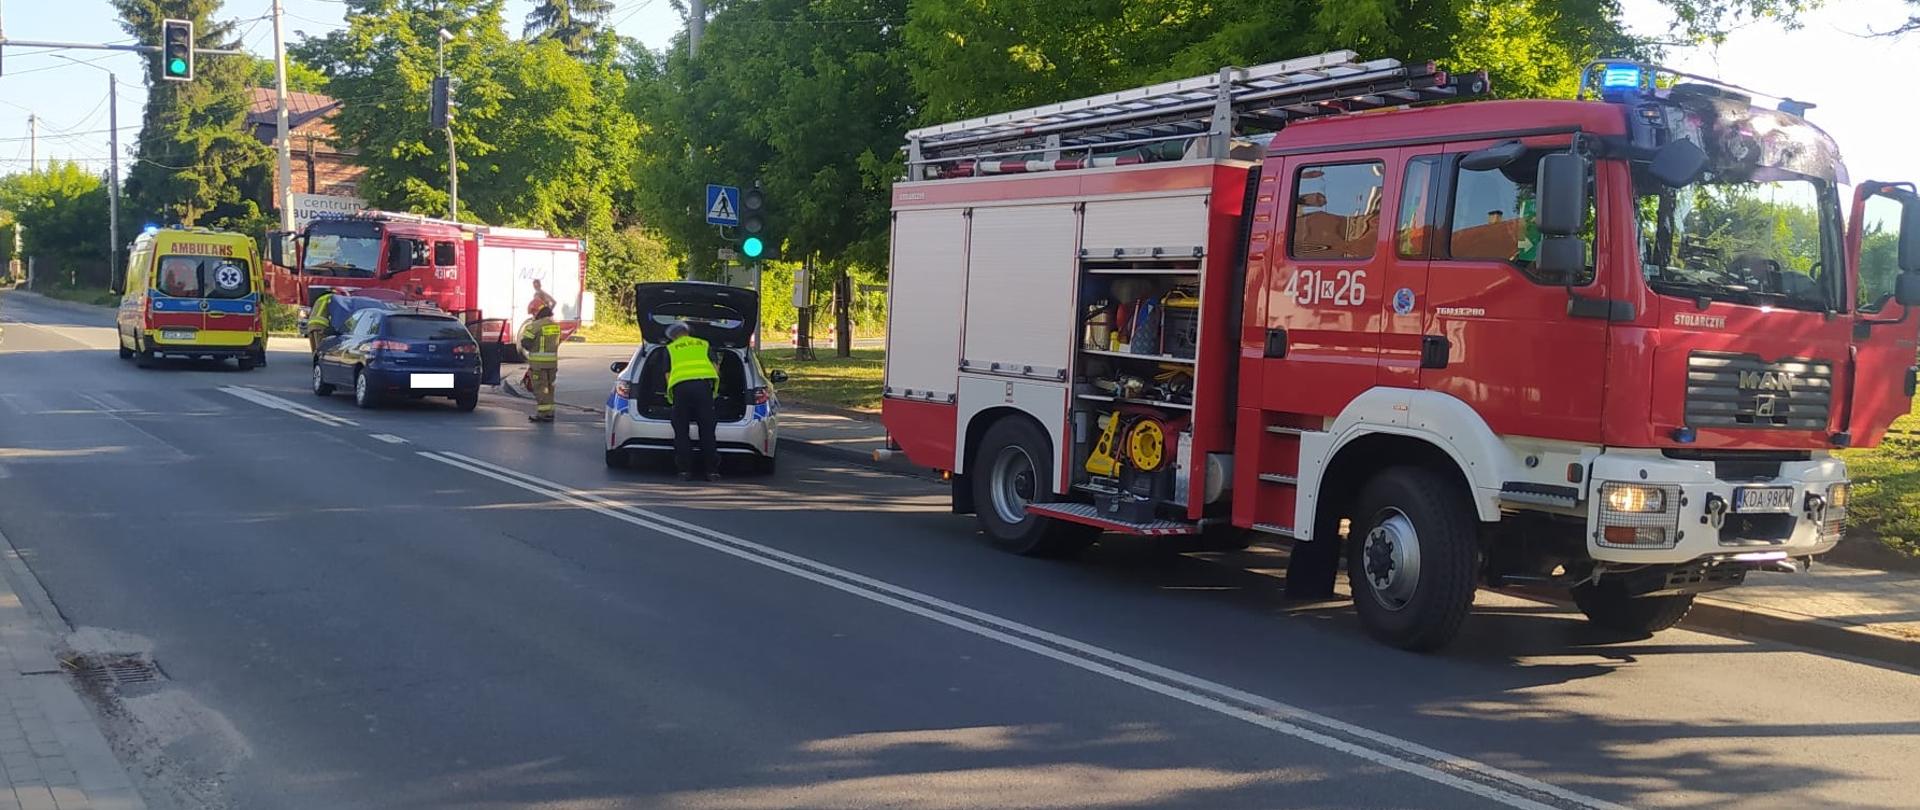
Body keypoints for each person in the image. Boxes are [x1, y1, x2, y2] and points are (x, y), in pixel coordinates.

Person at [664, 320, 721, 481]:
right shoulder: (704, 344)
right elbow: (716, 368)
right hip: (702, 389)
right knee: (707, 431)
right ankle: (712, 471)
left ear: (672, 337)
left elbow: (668, 375)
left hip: (681, 390)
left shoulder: (670, 349)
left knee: (681, 431)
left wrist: (673, 394)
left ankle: (684, 471)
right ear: (688, 332)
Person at [519, 305, 563, 422]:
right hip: (552, 364)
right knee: (550, 388)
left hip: (538, 364)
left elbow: (525, 342)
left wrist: (533, 348)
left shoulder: (534, 326)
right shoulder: (556, 327)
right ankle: (550, 412)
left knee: (540, 388)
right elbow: (558, 341)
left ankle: (543, 414)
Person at [307, 287, 346, 357]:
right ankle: (320, 364)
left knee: (315, 349)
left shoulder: (321, 298)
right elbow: (336, 315)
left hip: (311, 324)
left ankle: (316, 363)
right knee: (321, 348)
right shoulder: (333, 299)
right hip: (321, 325)